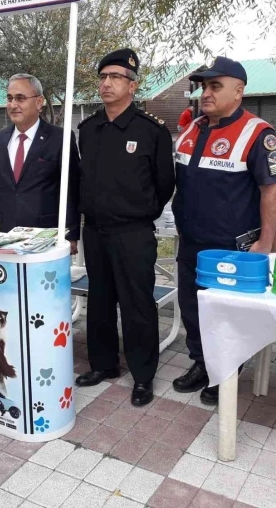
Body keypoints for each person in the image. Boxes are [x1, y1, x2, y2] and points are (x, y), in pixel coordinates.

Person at [171, 56, 276, 405]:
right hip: (191, 241)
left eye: (215, 86)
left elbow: (271, 191)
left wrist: (265, 242)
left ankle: (226, 373)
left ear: (239, 91)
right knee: (192, 308)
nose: (206, 93)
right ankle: (202, 364)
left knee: (225, 315)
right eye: (204, 86)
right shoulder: (193, 127)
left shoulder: (258, 133)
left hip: (230, 247)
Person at [75, 49, 175, 407]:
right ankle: (104, 365)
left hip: (133, 234)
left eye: (115, 78)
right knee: (99, 301)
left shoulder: (151, 131)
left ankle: (143, 376)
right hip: (96, 232)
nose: (106, 84)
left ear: (132, 85)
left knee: (137, 305)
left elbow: (165, 184)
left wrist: (140, 211)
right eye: (102, 78)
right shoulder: (88, 130)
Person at [0, 74, 80, 250]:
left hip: (47, 238)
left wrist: (71, 236)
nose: (13, 105)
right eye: (9, 98)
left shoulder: (60, 138)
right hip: (8, 234)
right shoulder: (0, 138)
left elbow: (72, 189)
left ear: (39, 102)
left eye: (20, 98)